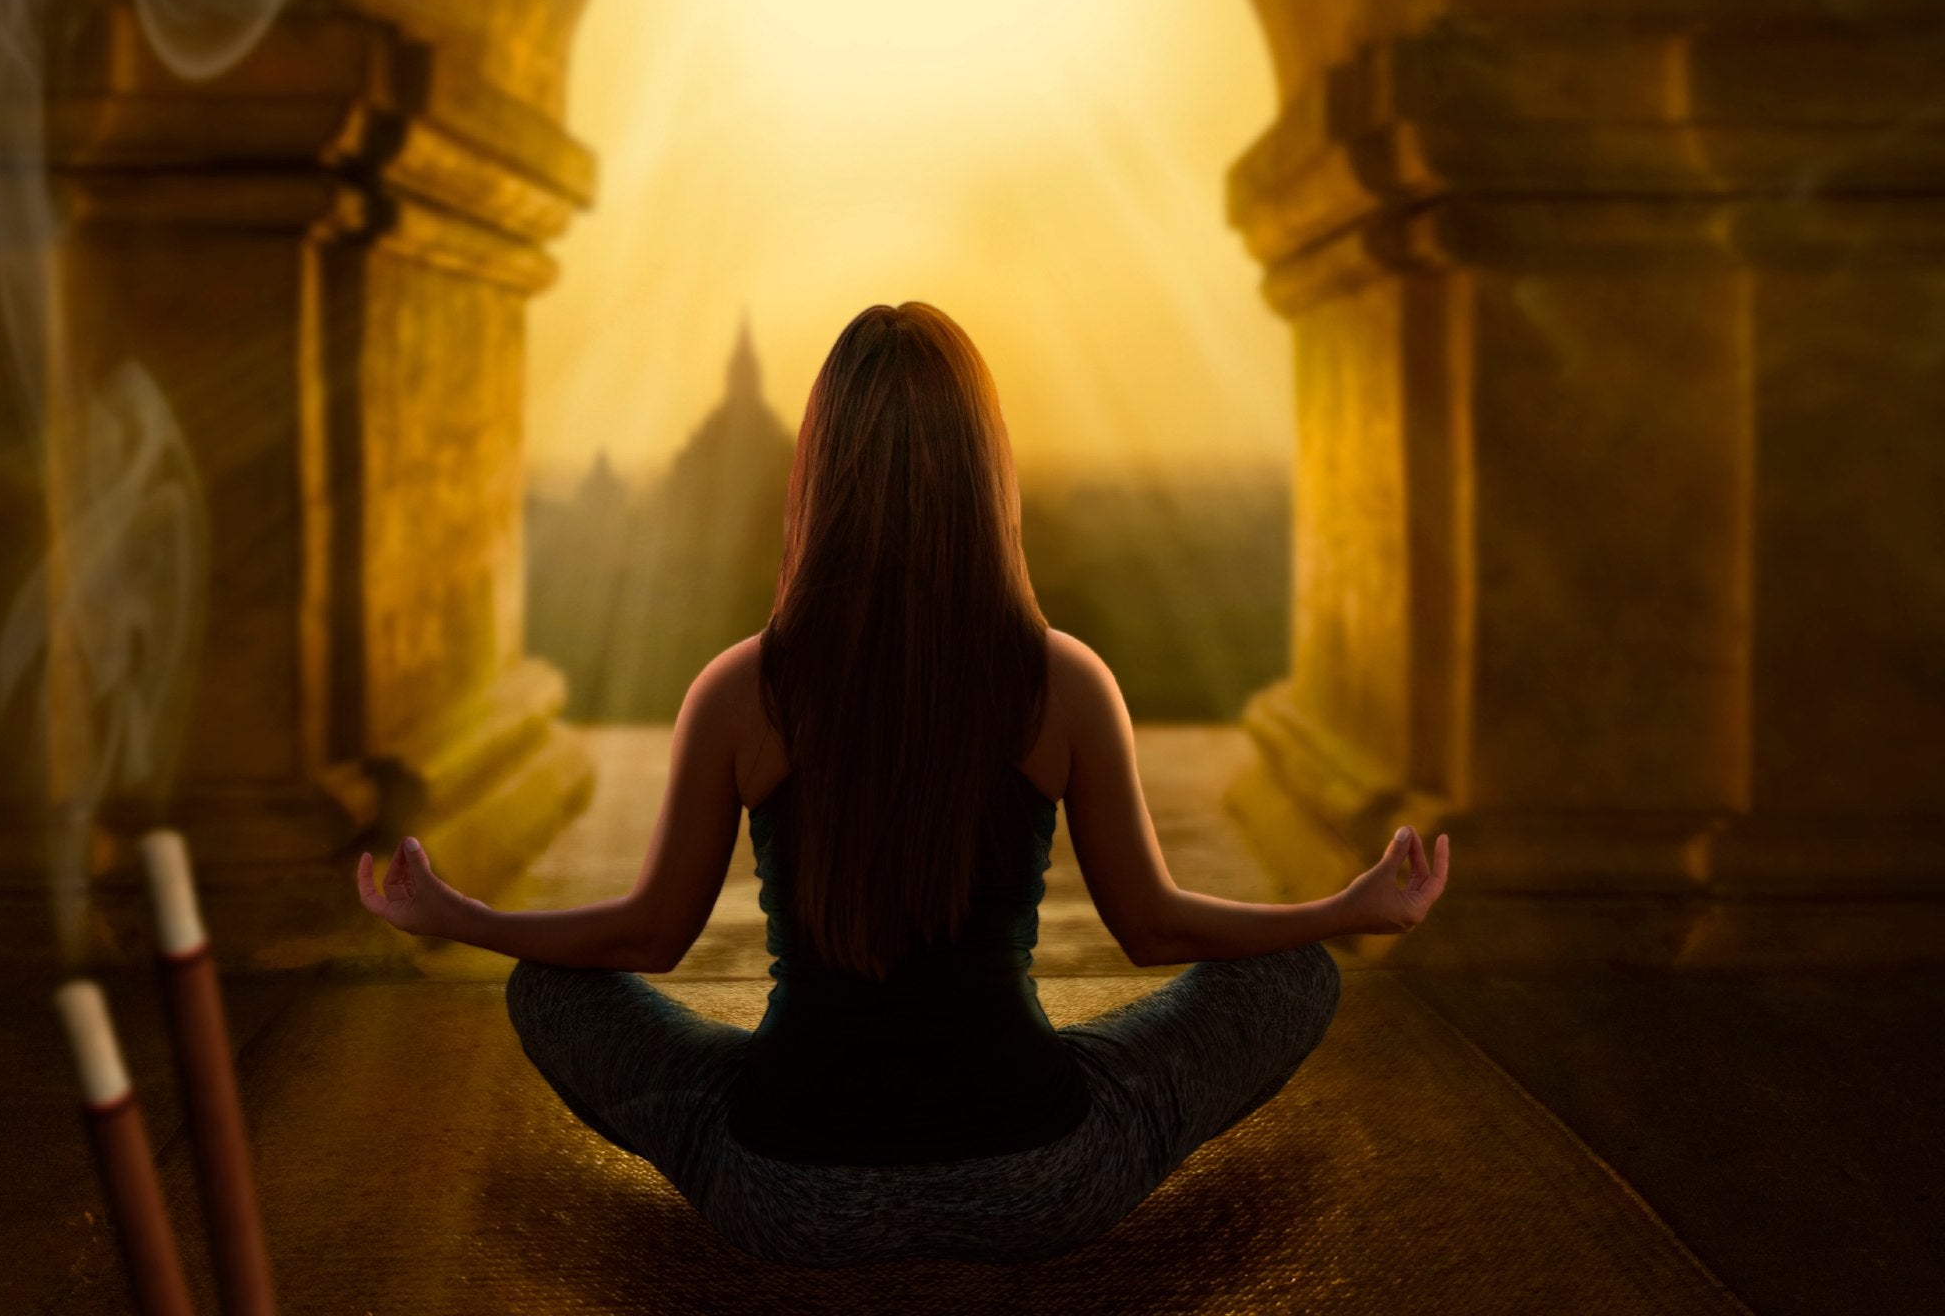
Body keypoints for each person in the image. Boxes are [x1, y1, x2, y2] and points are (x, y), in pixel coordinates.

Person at [357, 301, 1449, 1267]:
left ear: (816, 467)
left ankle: (788, 1092)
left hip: (784, 1192)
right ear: (987, 466)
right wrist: (1346, 909)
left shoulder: (744, 687)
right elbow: (1155, 927)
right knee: (1289, 973)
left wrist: (463, 914)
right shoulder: (1060, 679)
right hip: (1040, 1179)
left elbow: (646, 935)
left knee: (545, 984)